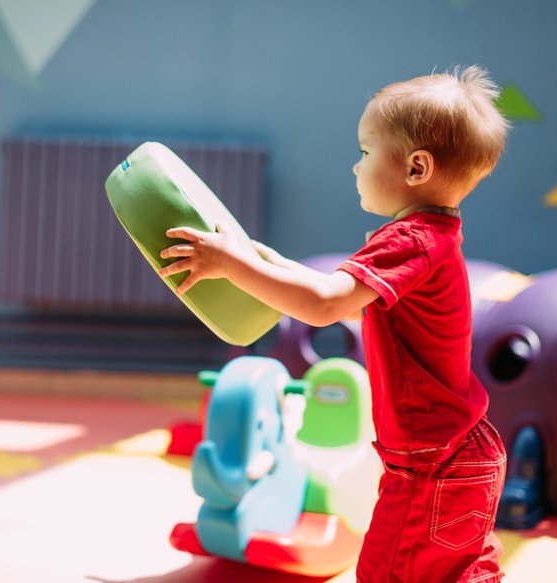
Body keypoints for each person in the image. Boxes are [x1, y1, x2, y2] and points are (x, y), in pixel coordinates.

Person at [159, 65, 510, 582]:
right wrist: (271, 264)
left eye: (366, 152)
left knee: (386, 574)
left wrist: (231, 265)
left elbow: (324, 305)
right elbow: (343, 298)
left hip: (431, 465)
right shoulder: (433, 236)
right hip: (457, 455)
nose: (355, 166)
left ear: (416, 168)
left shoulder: (409, 238)